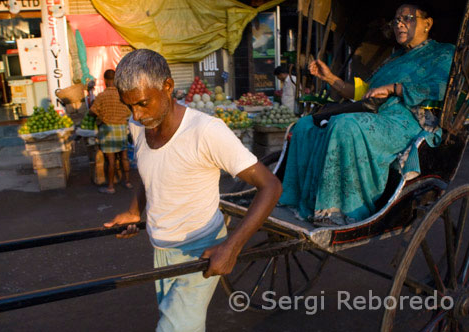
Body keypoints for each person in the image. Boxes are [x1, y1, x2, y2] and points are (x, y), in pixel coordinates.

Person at [103, 49, 282, 332]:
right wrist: (135, 212)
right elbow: (151, 175)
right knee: (173, 318)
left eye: (143, 103)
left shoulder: (206, 131)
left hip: (202, 249)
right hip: (161, 248)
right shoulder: (138, 126)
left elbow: (270, 186)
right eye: (130, 107)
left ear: (168, 86)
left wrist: (231, 247)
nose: (137, 114)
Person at [279, 2, 455, 226]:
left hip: (408, 120)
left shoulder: (443, 54)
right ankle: (297, 200)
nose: (399, 23)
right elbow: (367, 91)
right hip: (377, 114)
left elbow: (443, 88)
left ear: (427, 23)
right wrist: (331, 78)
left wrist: (395, 89)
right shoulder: (395, 58)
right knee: (304, 126)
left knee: (345, 125)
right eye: (396, 20)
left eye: (407, 18)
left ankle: (342, 210)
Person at [89, 69, 133, 194]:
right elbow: (128, 113)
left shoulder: (101, 96)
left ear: (106, 81)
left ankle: (110, 187)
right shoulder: (122, 96)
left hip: (107, 130)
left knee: (111, 160)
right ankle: (128, 182)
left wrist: (99, 116)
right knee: (124, 157)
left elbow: (92, 111)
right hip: (121, 129)